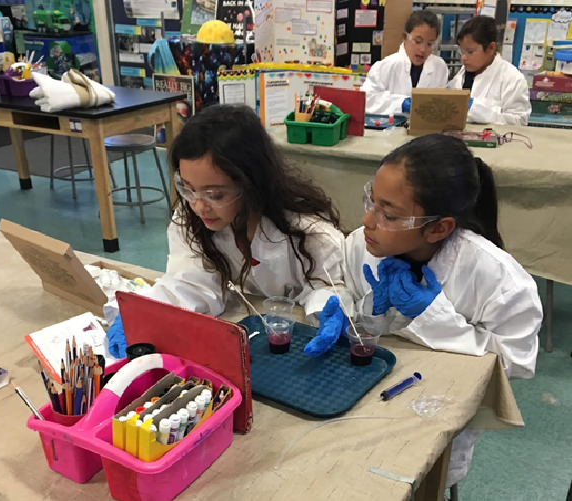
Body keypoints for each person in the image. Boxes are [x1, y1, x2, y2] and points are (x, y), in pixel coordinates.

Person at [337, 133, 542, 487]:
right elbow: (343, 286)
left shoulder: (499, 279)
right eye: (371, 200)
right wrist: (340, 305)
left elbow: (517, 361)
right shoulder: (360, 243)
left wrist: (436, 317)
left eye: (388, 214)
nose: (367, 220)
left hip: (433, 411)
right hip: (360, 388)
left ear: (439, 228)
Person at [107, 104, 351, 358]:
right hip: (249, 332)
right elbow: (191, 281)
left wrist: (327, 307)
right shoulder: (191, 218)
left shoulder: (306, 230)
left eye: (215, 194)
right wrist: (144, 316)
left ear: (250, 182)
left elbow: (330, 285)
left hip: (295, 342)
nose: (199, 205)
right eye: (187, 188)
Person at [447, 16, 531, 125]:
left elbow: (519, 121)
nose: (463, 58)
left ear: (491, 48)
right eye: (462, 52)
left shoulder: (513, 79)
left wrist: (480, 111)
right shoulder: (462, 74)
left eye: (470, 52)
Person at [361, 10, 448, 115]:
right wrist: (400, 104)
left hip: (426, 128)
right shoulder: (386, 66)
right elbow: (367, 99)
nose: (423, 50)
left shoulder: (439, 67)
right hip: (389, 129)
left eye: (429, 44)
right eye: (418, 41)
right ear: (405, 37)